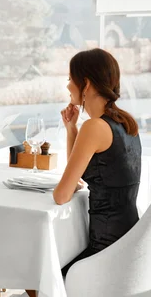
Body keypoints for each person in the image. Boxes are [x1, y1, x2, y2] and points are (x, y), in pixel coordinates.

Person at [55, 48, 141, 276]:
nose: (67, 85)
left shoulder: (94, 127)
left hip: (104, 252)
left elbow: (62, 195)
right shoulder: (126, 122)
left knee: (39, 270)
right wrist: (71, 129)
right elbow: (79, 178)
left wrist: (77, 129)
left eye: (70, 79)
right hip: (128, 245)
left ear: (86, 84)